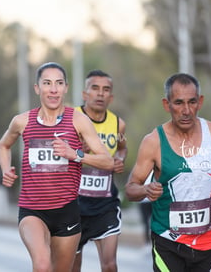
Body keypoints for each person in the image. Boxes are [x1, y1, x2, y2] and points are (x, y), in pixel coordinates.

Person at [0, 62, 114, 272]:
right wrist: (6, 169)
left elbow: (107, 161)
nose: (53, 89)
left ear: (66, 88)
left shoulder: (79, 121)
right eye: (47, 83)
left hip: (66, 212)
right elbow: (3, 145)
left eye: (59, 83)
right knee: (42, 265)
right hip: (32, 211)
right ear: (37, 88)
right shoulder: (22, 121)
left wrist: (75, 154)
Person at [125, 73, 211, 271]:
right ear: (166, 104)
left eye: (192, 102)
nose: (186, 111)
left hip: (208, 242)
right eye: (178, 103)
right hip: (168, 242)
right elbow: (130, 188)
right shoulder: (153, 142)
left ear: (200, 102)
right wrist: (146, 190)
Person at [72, 70, 127, 272]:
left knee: (110, 265)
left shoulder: (118, 125)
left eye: (106, 90)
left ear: (111, 97)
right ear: (85, 94)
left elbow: (122, 148)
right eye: (95, 88)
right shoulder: (71, 119)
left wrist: (120, 159)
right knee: (72, 266)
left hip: (105, 204)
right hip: (74, 205)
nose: (100, 94)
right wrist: (78, 152)